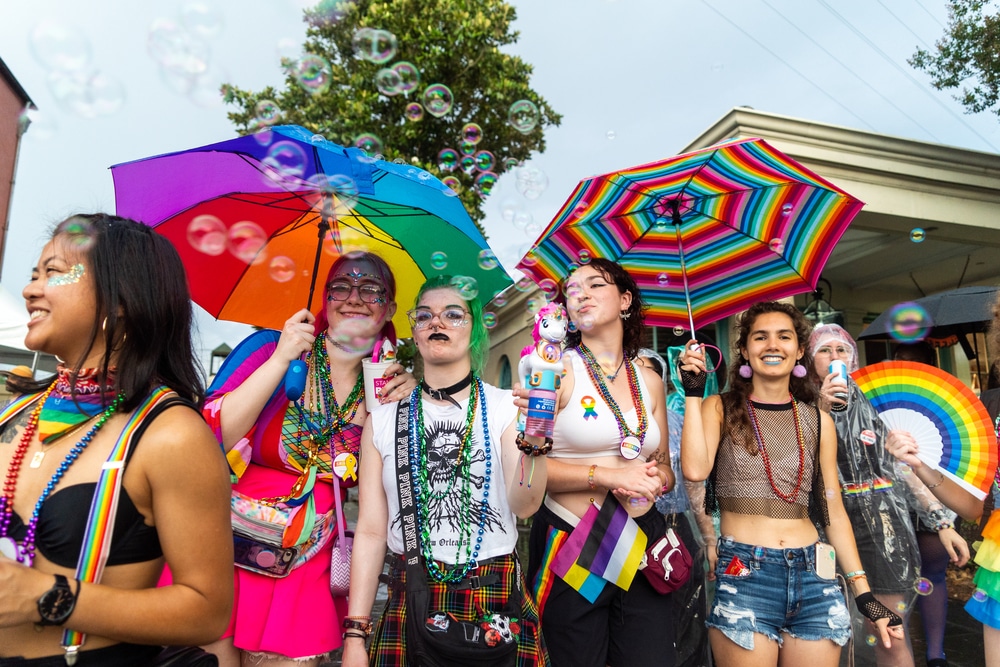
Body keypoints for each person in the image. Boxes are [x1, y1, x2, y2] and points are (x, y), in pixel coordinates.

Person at [0, 213, 233, 664]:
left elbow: (208, 612)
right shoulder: (18, 412)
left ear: (119, 299)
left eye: (53, 273)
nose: (30, 290)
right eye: (32, 275)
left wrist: (50, 597)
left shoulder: (171, 435)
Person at [202, 251, 415, 667]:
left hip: (307, 557)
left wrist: (407, 408)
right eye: (341, 286)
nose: (354, 296)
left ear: (389, 308)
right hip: (224, 541)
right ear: (324, 298)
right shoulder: (269, 348)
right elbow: (207, 436)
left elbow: (390, 493)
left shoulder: (386, 391)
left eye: (371, 289)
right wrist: (280, 360)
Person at [680, 301, 905, 667]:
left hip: (815, 575)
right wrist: (693, 392)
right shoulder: (717, 408)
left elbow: (833, 510)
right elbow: (694, 470)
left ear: (799, 350)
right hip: (745, 571)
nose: (772, 345)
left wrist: (864, 595)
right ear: (744, 350)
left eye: (784, 337)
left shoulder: (818, 421)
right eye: (760, 337)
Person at [343, 275, 548, 666]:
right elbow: (370, 530)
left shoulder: (508, 407)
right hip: (411, 597)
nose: (437, 323)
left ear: (474, 331)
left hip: (494, 596)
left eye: (453, 314)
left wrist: (536, 438)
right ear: (414, 334)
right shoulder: (385, 418)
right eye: (425, 316)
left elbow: (525, 505)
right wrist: (355, 633)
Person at [525, 258, 675, 667]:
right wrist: (608, 476)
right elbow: (527, 474)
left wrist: (655, 477)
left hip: (644, 543)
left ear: (625, 300)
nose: (582, 295)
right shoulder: (553, 372)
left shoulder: (650, 378)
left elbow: (664, 466)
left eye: (596, 284)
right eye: (573, 290)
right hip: (575, 543)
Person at [810, 325, 952, 667]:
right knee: (827, 632)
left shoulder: (881, 399)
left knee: (891, 633)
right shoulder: (798, 403)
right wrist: (820, 409)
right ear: (809, 358)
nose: (834, 358)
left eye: (841, 350)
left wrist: (940, 520)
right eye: (824, 351)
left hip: (884, 528)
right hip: (824, 526)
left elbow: (902, 467)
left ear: (852, 358)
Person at [888, 341, 973, 667]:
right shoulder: (885, 402)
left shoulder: (942, 402)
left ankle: (928, 653)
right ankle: (918, 653)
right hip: (907, 500)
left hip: (930, 500)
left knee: (926, 576)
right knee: (909, 580)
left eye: (910, 362)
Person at [639, 347, 714, 667]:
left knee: (688, 620)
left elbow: (695, 484)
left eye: (651, 371)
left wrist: (709, 538)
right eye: (635, 369)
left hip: (676, 532)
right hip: (632, 532)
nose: (643, 377)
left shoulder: (679, 421)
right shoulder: (611, 420)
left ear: (664, 380)